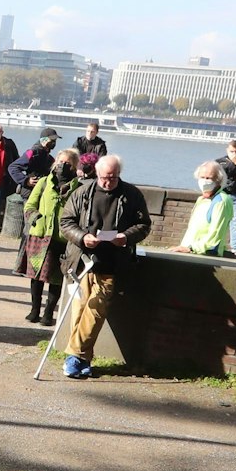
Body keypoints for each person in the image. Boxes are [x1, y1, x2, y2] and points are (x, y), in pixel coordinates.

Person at [56, 154, 150, 379]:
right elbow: (66, 222)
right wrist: (81, 237)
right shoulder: (81, 193)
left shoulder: (131, 195)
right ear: (96, 174)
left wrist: (125, 237)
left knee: (96, 309)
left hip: (111, 262)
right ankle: (83, 358)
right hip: (81, 260)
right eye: (105, 177)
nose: (109, 182)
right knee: (79, 309)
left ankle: (74, 354)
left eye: (114, 178)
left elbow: (144, 224)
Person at [18, 150, 75, 321]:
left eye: (67, 163)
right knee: (36, 276)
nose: (62, 165)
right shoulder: (43, 182)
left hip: (62, 238)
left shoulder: (77, 187)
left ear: (74, 166)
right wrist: (36, 218)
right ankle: (34, 310)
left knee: (56, 279)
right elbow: (29, 206)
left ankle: (49, 312)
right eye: (60, 161)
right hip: (40, 235)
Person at [171, 161, 236, 257]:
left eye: (209, 178)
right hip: (189, 251)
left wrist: (191, 248)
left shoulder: (221, 201)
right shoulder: (201, 199)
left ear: (218, 180)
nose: (204, 181)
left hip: (206, 253)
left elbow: (216, 233)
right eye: (202, 177)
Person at [9, 127, 57, 196]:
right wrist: (26, 180)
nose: (54, 143)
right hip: (29, 192)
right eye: (52, 140)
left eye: (55, 140)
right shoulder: (33, 152)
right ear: (44, 140)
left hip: (40, 192)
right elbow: (13, 167)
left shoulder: (49, 157)